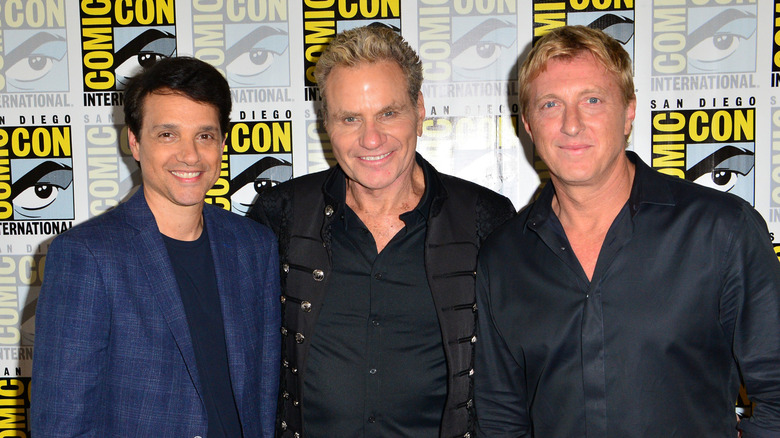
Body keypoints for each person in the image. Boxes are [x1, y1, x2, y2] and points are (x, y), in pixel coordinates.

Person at [474, 25, 780, 437]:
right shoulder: (503, 256)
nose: (571, 124)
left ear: (629, 112)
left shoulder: (720, 230)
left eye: (593, 100)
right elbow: (500, 415)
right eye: (550, 104)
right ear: (528, 123)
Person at [249, 24, 515, 438]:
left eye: (388, 113)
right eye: (350, 118)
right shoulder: (279, 214)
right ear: (327, 125)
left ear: (419, 110)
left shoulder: (486, 218)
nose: (370, 138)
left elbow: (514, 375)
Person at [31, 57, 281, 437]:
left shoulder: (254, 247)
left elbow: (263, 397)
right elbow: (63, 424)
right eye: (167, 134)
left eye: (205, 135)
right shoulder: (85, 255)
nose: (190, 154)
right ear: (134, 141)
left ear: (223, 143)